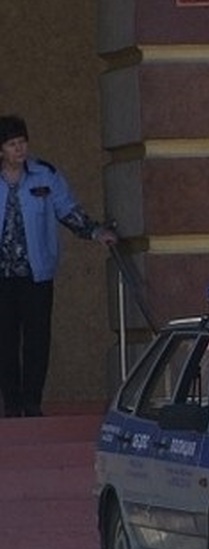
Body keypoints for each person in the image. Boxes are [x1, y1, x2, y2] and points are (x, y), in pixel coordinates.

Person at [0, 115, 117, 418]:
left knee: (37, 340)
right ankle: (12, 404)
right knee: (5, 342)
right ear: (1, 150)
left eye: (22, 142)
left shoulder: (45, 175)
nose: (19, 149)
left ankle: (31, 401)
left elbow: (68, 210)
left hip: (36, 274)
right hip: (3, 277)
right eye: (12, 145)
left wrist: (95, 232)